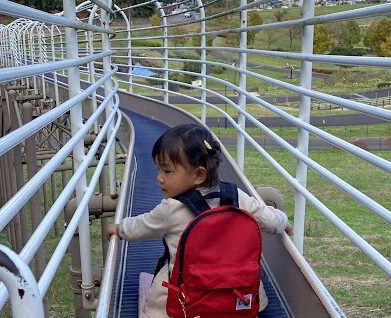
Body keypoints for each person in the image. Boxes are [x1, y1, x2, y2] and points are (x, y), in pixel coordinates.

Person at [107, 124, 292, 318]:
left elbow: (141, 226)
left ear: (198, 175)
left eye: (167, 171)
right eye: (159, 170)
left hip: (188, 302)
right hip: (238, 298)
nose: (159, 178)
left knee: (160, 298)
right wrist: (284, 223)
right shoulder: (237, 197)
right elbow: (270, 220)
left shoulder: (172, 209)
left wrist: (120, 229)